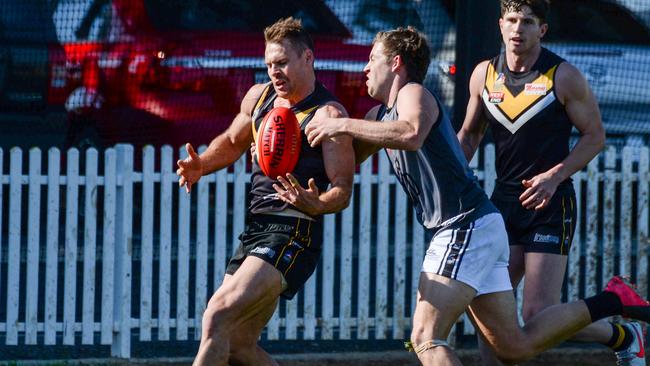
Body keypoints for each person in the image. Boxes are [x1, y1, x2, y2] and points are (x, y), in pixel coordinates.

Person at [305, 25, 650, 366]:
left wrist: (342, 124)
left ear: (396, 63)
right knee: (513, 346)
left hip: (463, 226)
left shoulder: (412, 93)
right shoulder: (374, 117)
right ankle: (612, 300)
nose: (365, 68)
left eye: (372, 59)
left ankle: (615, 304)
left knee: (425, 338)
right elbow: (344, 164)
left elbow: (410, 133)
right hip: (477, 228)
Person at [456, 1, 645, 365]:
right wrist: (444, 183)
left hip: (551, 203)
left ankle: (621, 332)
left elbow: (595, 136)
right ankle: (622, 331)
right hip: (501, 204)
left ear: (542, 29)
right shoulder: (483, 75)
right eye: (511, 20)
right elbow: (469, 134)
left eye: (527, 22)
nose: (518, 29)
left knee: (538, 313)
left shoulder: (563, 75)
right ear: (499, 25)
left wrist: (553, 176)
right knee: (485, 305)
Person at [176, 17, 354, 366]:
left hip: (293, 232)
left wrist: (316, 203)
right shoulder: (260, 99)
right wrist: (201, 165)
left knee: (217, 315)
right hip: (256, 229)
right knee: (237, 345)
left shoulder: (328, 115)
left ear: (307, 58)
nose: (275, 72)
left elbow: (343, 190)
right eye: (270, 64)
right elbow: (230, 142)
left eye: (283, 63)